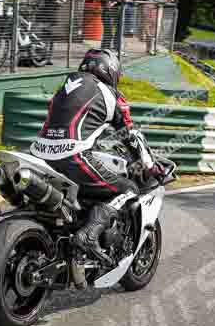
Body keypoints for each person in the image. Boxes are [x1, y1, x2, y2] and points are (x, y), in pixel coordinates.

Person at [29, 49, 163, 266]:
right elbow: (131, 135)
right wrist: (150, 165)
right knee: (128, 189)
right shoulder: (111, 95)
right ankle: (89, 235)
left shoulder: (65, 87)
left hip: (38, 154)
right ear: (110, 70)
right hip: (73, 156)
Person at [38, 0, 66, 66]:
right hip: (50, 15)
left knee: (43, 36)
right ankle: (48, 58)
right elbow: (55, 1)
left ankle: (42, 56)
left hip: (43, 14)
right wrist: (62, 1)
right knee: (49, 38)